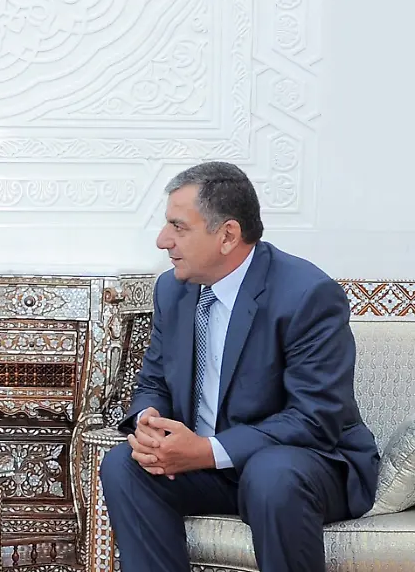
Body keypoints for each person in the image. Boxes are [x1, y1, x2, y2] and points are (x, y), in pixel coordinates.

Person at [99, 161, 380, 572]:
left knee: (271, 474)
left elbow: (315, 418)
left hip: (305, 463)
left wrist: (207, 451)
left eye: (178, 227)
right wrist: (150, 422)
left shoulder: (307, 294)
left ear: (227, 235)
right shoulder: (172, 290)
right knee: (124, 466)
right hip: (211, 466)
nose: (163, 240)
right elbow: (154, 381)